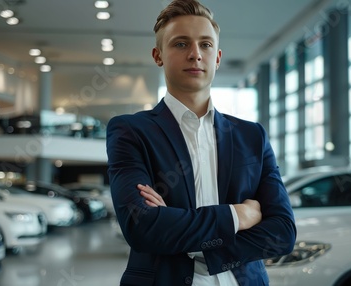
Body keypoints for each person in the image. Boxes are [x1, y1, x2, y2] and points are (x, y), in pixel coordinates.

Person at [106, 0, 296, 285]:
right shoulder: (131, 131)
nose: (195, 54)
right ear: (158, 56)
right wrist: (238, 215)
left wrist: (196, 242)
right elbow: (141, 226)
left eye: (205, 45)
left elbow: (282, 232)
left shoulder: (252, 136)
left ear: (217, 57)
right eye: (181, 44)